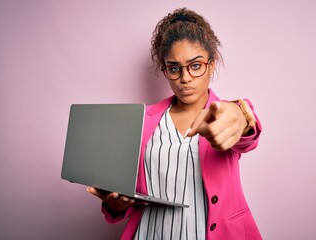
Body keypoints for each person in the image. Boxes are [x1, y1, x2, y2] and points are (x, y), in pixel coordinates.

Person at [88, 7, 262, 240]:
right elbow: (133, 195)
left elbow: (247, 130)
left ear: (211, 65)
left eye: (196, 65)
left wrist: (241, 116)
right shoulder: (141, 121)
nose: (185, 78)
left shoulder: (224, 114)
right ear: (165, 69)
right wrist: (117, 204)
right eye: (174, 68)